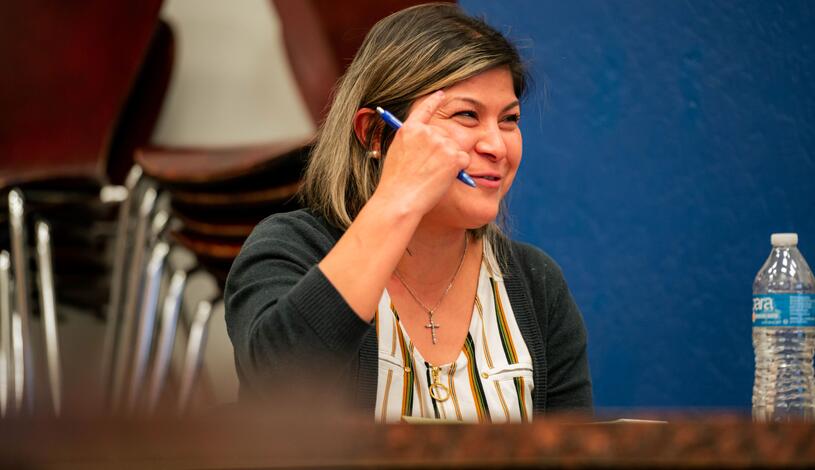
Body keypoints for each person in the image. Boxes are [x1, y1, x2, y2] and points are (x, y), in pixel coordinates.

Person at [225, 2, 592, 423]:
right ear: (374, 133)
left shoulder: (535, 283)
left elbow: (571, 451)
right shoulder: (290, 248)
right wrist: (398, 198)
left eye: (509, 120)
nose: (496, 146)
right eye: (467, 115)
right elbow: (279, 393)